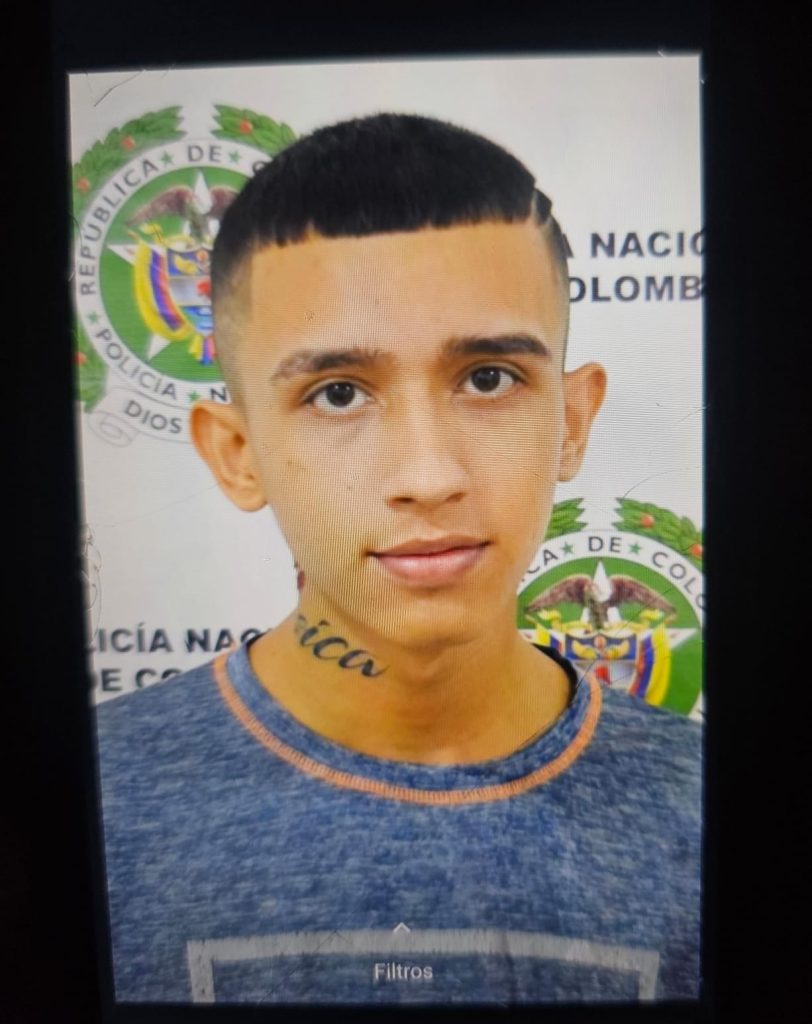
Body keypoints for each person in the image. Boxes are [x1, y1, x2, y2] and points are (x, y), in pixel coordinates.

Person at [94, 113, 701, 1005]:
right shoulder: (90, 804)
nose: (428, 477)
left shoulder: (712, 811)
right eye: (338, 394)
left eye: (489, 378)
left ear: (571, 422)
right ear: (236, 453)